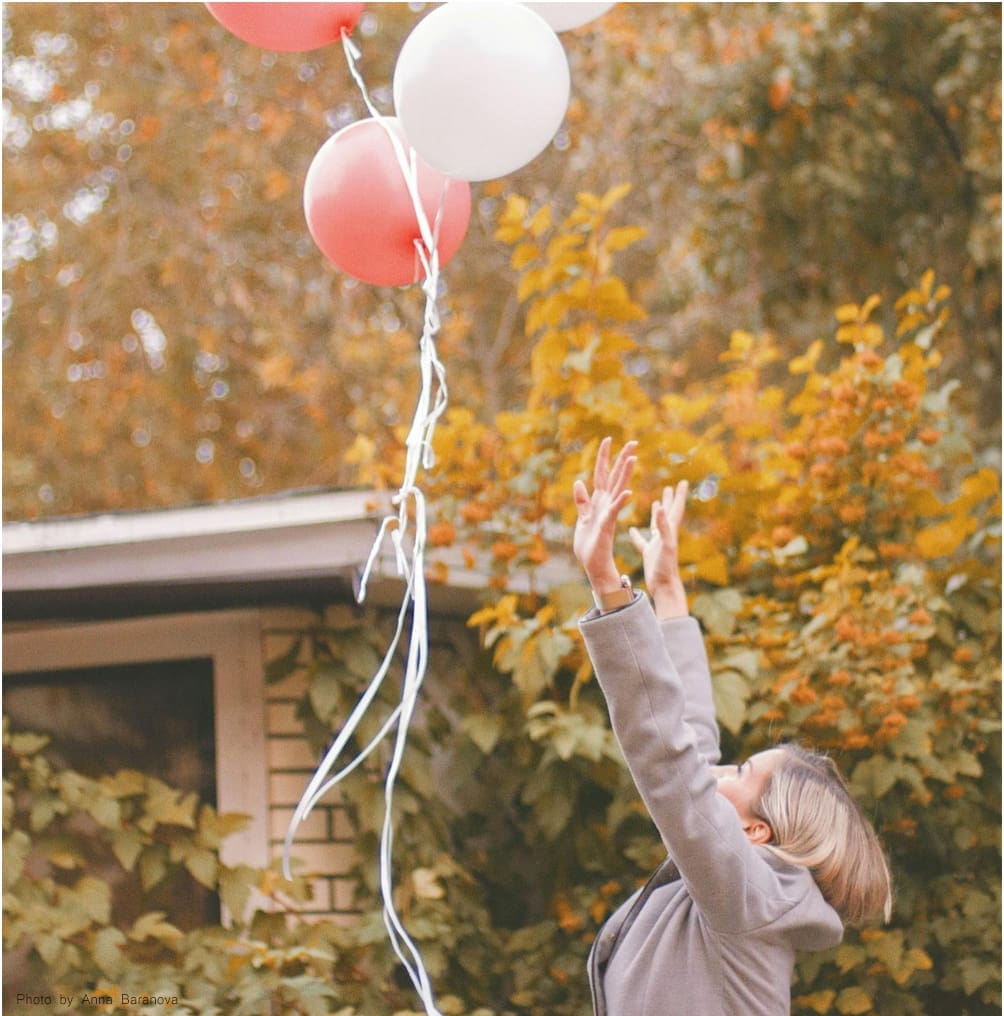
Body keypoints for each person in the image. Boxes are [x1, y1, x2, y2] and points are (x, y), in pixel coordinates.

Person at [572, 437, 893, 1016]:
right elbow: (689, 745)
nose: (714, 773)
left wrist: (608, 586)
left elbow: (671, 760)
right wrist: (667, 594)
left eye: (739, 774)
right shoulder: (750, 896)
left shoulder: (746, 899)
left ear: (755, 834)